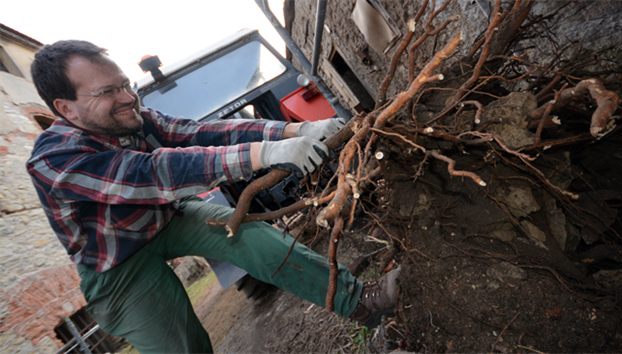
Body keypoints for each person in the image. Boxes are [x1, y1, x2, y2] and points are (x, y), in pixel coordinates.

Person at [27, 40, 400, 354]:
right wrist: (264, 155)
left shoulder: (132, 115)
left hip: (166, 217)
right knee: (179, 345)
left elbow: (202, 133)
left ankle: (360, 302)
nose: (127, 98)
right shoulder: (53, 159)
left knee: (253, 239)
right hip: (117, 262)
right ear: (66, 108)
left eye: (125, 84)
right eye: (108, 92)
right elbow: (150, 173)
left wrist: (295, 129)